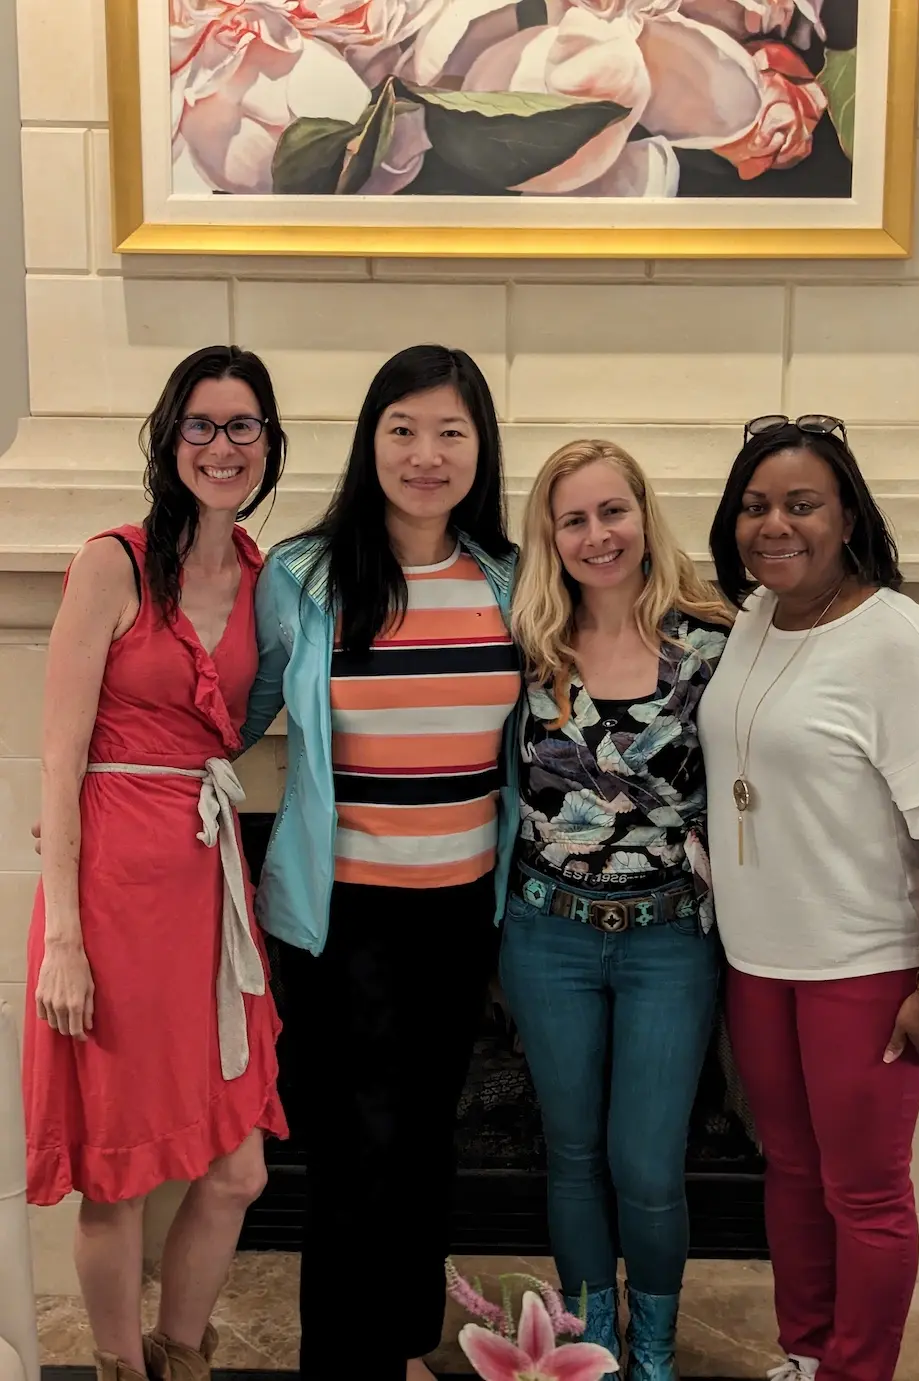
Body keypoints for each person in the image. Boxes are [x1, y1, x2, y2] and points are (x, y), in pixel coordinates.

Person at [239, 344, 521, 1381]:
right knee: (355, 1149)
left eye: (450, 431)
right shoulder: (303, 575)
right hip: (337, 911)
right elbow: (239, 712)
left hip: (460, 911)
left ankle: (401, 1344)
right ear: (369, 442)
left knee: (424, 1143)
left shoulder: (506, 577)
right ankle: (341, 1362)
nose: (425, 453)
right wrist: (111, 784)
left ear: (479, 449)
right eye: (401, 428)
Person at [698, 415, 919, 1381]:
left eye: (800, 504)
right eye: (754, 505)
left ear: (848, 514)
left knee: (864, 1195)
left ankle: (857, 1370)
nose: (773, 524)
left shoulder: (899, 638)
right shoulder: (751, 618)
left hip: (864, 970)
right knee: (789, 1174)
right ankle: (805, 1353)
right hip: (758, 963)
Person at [23, 346, 290, 1381]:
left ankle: (183, 1351)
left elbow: (261, 711)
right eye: (202, 425)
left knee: (237, 1169)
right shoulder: (115, 561)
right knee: (116, 1179)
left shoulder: (268, 576)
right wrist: (62, 941)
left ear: (269, 444)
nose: (223, 446)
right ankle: (119, 1365)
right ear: (169, 438)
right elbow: (58, 751)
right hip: (109, 895)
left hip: (204, 886)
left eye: (243, 427)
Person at [503, 439, 731, 1381]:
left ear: (644, 515)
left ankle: (652, 1352)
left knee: (647, 1163)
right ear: (549, 538)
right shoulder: (524, 644)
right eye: (574, 519)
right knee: (571, 1151)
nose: (598, 535)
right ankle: (592, 1344)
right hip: (546, 933)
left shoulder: (716, 639)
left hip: (669, 940)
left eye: (613, 512)